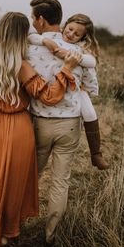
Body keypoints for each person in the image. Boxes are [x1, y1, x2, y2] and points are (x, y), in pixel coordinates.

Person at [0, 12, 80, 247]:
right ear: (22, 37)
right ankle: (6, 232)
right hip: (18, 126)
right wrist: (67, 68)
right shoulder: (22, 66)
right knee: (12, 181)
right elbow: (49, 96)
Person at [27, 0, 92, 244]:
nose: (33, 22)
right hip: (70, 124)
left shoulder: (30, 47)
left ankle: (15, 224)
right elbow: (88, 85)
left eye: (33, 17)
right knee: (60, 181)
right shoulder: (78, 51)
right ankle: (51, 234)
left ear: (41, 19)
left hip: (40, 123)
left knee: (30, 175)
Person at [28, 13, 109, 171]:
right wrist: (47, 41)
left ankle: (96, 153)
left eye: (77, 34)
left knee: (91, 114)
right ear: (65, 26)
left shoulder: (80, 51)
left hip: (73, 91)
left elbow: (91, 64)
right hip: (53, 100)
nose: (71, 34)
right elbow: (31, 37)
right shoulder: (45, 41)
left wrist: (69, 56)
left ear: (83, 37)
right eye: (70, 29)